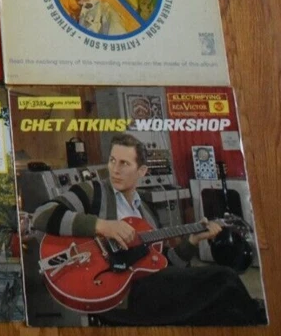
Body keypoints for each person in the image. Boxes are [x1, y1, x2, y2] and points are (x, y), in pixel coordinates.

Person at [31, 134, 264, 325]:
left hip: (148, 288)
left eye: (124, 163)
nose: (115, 170)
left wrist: (192, 241)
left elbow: (163, 264)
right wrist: (103, 225)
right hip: (113, 293)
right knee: (224, 279)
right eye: (112, 161)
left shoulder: (147, 212)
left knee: (221, 306)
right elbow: (42, 215)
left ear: (142, 171)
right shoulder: (93, 192)